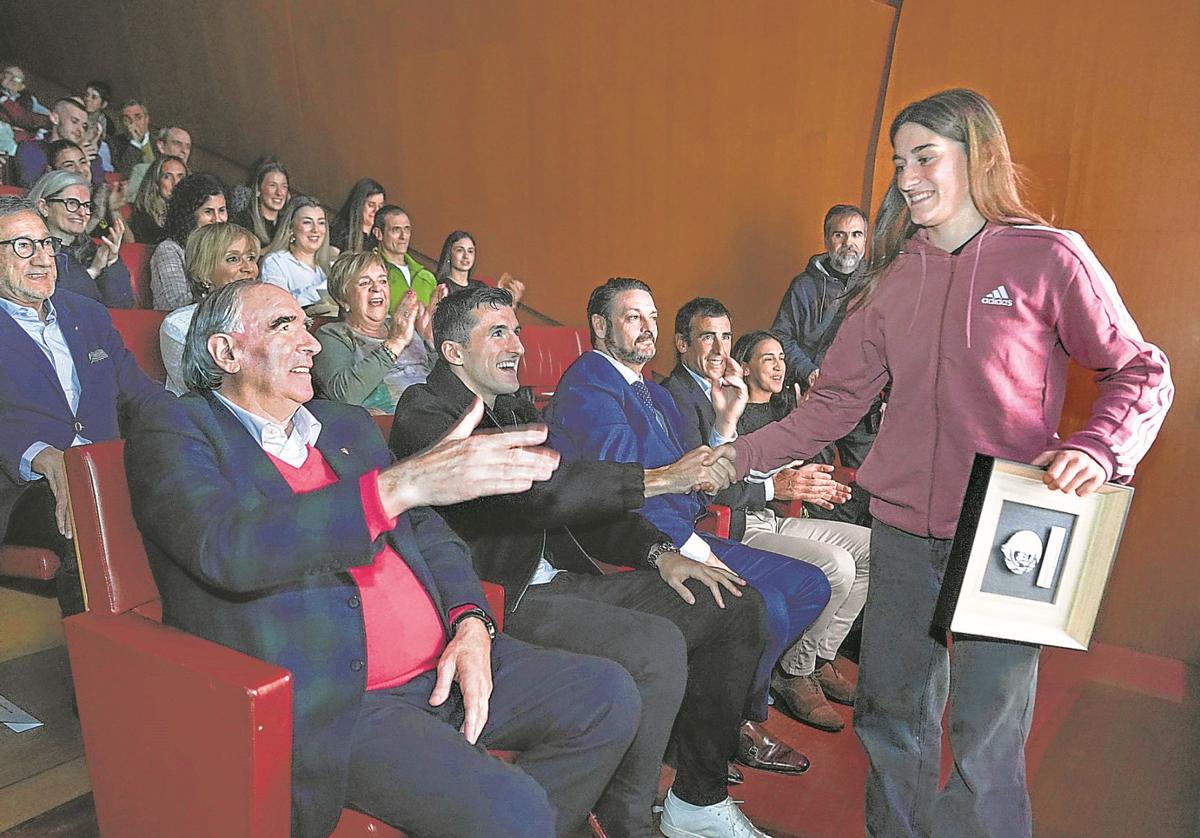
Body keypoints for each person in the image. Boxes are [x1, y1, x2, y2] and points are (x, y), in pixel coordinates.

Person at [712, 88, 1174, 838]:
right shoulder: (893, 279)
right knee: (892, 719)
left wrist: (1097, 446)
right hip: (902, 532)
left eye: (926, 156)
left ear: (981, 156)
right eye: (900, 162)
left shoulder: (1049, 257)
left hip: (1006, 531)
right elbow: (829, 408)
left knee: (987, 741)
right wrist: (729, 457)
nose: (908, 177)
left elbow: (1142, 371)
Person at [125, 278, 641, 838]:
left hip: (446, 660)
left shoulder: (342, 423)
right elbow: (227, 547)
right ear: (225, 352)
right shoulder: (176, 428)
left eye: (306, 324)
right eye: (284, 325)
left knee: (609, 697)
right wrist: (395, 487)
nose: (312, 343)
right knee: (514, 810)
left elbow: (427, 529)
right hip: (347, 695)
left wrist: (470, 620)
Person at [391, 284, 789, 838]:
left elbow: (578, 499)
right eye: (498, 332)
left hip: (562, 578)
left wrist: (660, 554)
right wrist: (657, 479)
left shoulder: (511, 406)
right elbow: (534, 493)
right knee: (656, 646)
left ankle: (698, 800)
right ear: (454, 352)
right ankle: (624, 819)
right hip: (499, 600)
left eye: (518, 331)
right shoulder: (424, 413)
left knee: (733, 603)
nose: (518, 345)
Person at [543, 278, 832, 747]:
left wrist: (724, 424)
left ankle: (720, 704)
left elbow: (697, 482)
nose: (647, 328)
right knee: (769, 608)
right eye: (633, 316)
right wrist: (684, 507)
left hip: (686, 525)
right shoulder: (588, 383)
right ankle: (719, 726)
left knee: (809, 586)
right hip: (639, 539)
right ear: (600, 326)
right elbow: (626, 482)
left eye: (652, 317)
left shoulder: (654, 393)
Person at [664, 299, 870, 732]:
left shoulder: (728, 391)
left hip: (766, 513)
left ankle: (816, 659)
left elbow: (750, 465)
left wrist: (798, 477)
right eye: (707, 337)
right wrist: (777, 486)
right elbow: (702, 484)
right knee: (838, 566)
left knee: (871, 549)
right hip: (729, 525)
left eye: (725, 335)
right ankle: (794, 673)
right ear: (682, 343)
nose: (719, 348)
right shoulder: (676, 397)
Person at [0, 196, 166, 618]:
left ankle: (182, 661)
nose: (42, 258)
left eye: (46, 243)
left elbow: (140, 393)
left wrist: (199, 429)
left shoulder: (86, 314)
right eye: (23, 246)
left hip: (107, 469)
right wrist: (39, 455)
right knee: (87, 527)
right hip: (22, 488)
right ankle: (102, 677)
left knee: (184, 502)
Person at [771, 203, 880, 526]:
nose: (849, 243)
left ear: (865, 239)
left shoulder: (879, 285)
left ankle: (858, 540)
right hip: (814, 399)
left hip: (863, 401)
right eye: (840, 234)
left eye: (857, 234)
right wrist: (809, 371)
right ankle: (824, 541)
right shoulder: (803, 287)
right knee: (818, 480)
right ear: (827, 239)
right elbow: (781, 338)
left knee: (869, 480)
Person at [311, 250, 437, 414]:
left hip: (438, 413)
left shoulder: (404, 325)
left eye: (383, 281)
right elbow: (344, 395)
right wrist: (395, 343)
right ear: (343, 298)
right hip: (391, 426)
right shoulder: (333, 335)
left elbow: (444, 382)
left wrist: (432, 343)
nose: (377, 288)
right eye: (364, 283)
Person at [159, 221, 259, 394]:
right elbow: (200, 392)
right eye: (233, 259)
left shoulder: (267, 319)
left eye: (251, 257)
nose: (248, 267)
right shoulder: (180, 325)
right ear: (204, 273)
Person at [28, 170, 131, 308]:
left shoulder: (94, 250)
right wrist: (93, 271)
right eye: (72, 203)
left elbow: (122, 307)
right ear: (44, 207)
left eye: (87, 206)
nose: (82, 213)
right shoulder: (27, 252)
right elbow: (52, 306)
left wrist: (112, 261)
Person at [150, 173, 227, 310]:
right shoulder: (169, 250)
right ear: (189, 215)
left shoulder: (228, 248)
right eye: (208, 212)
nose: (217, 219)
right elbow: (173, 305)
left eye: (221, 210)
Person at [260, 195, 337, 316]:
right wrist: (327, 286)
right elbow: (278, 307)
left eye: (321, 223)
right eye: (307, 222)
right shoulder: (276, 261)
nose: (316, 230)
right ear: (291, 228)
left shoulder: (329, 266)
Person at [15, 97, 103, 188]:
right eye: (74, 121)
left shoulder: (90, 155)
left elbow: (100, 190)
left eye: (84, 126)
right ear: (55, 118)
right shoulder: (32, 148)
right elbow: (32, 186)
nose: (80, 129)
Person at [435, 229, 526, 305]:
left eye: (470, 251)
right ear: (449, 254)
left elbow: (497, 320)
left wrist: (513, 300)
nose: (466, 256)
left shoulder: (480, 287)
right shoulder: (442, 287)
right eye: (460, 250)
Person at [372, 204, 437, 308]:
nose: (403, 236)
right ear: (378, 233)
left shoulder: (427, 277)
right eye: (396, 230)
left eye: (407, 229)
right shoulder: (370, 271)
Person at [127, 154, 187, 245]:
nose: (176, 183)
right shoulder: (144, 217)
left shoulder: (194, 214)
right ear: (156, 182)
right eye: (167, 177)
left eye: (180, 177)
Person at [235, 156, 289, 246]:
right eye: (272, 185)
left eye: (284, 186)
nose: (279, 193)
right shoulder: (243, 221)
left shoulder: (289, 223)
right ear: (258, 190)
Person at [125, 125, 192, 195]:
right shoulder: (142, 171)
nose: (184, 150)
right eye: (177, 144)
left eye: (188, 147)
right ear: (161, 146)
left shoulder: (193, 180)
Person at [330, 177, 386, 253]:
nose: (376, 210)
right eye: (371, 205)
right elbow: (332, 259)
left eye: (380, 206)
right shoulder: (340, 231)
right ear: (359, 205)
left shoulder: (382, 233)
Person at [0, 63, 51, 143]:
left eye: (17, 79)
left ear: (22, 86)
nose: (12, 80)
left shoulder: (29, 100)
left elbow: (48, 118)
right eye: (9, 75)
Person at [112, 99, 152, 176]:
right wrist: (135, 143)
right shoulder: (114, 144)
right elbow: (124, 174)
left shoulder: (160, 141)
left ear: (146, 119)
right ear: (121, 123)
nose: (133, 123)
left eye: (138, 118)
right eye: (127, 120)